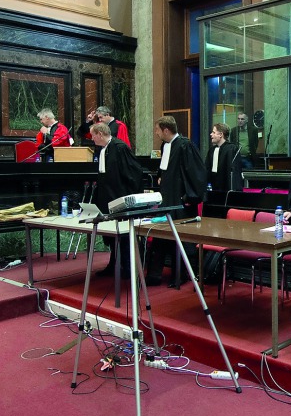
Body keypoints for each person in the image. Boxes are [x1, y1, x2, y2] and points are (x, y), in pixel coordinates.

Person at [147, 115, 207, 287]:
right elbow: (164, 169)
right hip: (167, 199)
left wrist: (190, 197)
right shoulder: (165, 145)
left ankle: (179, 276)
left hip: (180, 201)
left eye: (158, 129)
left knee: (179, 240)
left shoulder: (185, 145)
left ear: (166, 130)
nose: (156, 133)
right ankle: (154, 275)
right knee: (160, 236)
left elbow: (196, 173)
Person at [91, 122, 145, 278]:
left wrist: (128, 199)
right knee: (111, 235)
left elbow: (133, 173)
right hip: (107, 200)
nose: (92, 138)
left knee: (124, 236)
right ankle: (114, 263)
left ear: (100, 134)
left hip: (120, 199)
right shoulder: (104, 149)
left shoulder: (119, 147)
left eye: (93, 135)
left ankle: (129, 269)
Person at [205, 122, 243, 192]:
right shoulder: (211, 150)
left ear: (220, 134)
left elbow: (234, 173)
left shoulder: (231, 149)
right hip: (213, 189)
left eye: (213, 132)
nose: (211, 134)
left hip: (226, 191)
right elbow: (207, 169)